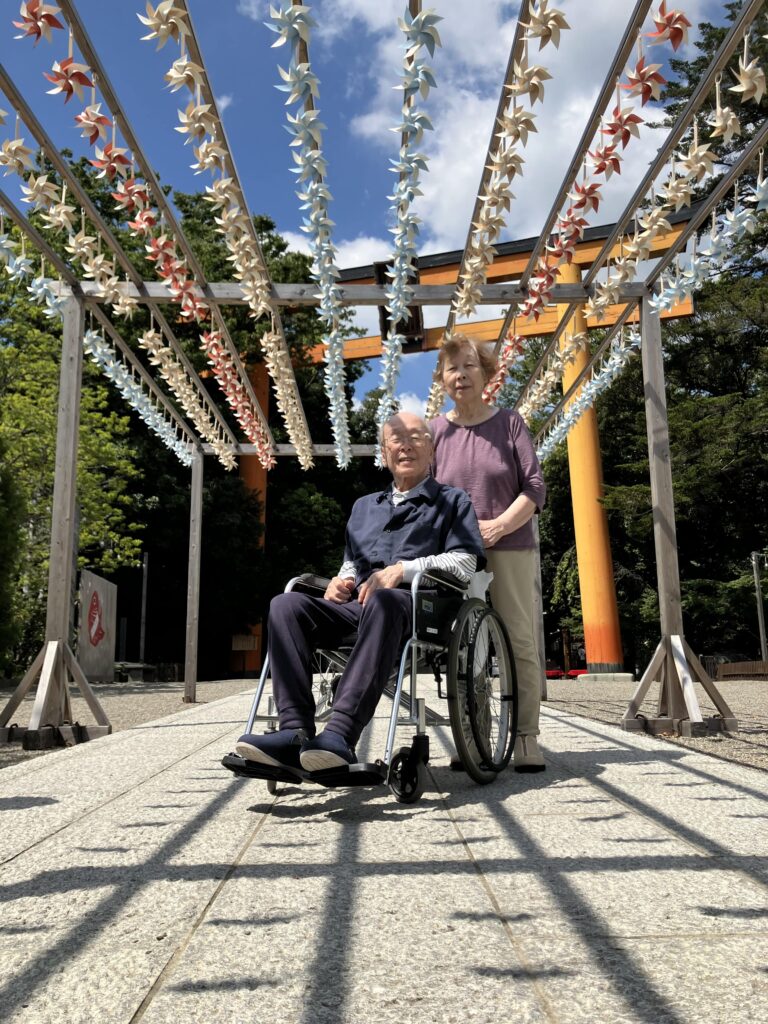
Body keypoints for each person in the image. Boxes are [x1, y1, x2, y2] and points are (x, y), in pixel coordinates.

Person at [235, 411, 486, 774]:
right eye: (395, 439)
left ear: (432, 448)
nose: (406, 445)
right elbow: (352, 563)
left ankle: (339, 734)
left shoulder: (453, 500)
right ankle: (293, 732)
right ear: (384, 453)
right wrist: (342, 581)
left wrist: (402, 570)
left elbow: (464, 563)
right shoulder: (364, 506)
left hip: (421, 607)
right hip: (362, 607)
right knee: (286, 604)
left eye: (416, 436)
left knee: (385, 598)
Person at [431, 334, 547, 772]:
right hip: (459, 552)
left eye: (468, 366)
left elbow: (534, 487)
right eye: (451, 368)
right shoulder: (436, 432)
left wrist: (498, 524)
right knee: (466, 644)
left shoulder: (510, 423)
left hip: (510, 543)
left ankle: (526, 737)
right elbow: (429, 496)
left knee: (518, 638)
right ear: (442, 379)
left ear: (485, 373)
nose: (460, 375)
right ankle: (475, 736)